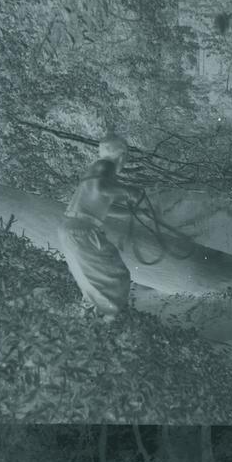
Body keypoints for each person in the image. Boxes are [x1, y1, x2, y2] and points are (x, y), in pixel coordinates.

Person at [57, 135, 142, 323]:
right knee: (115, 276)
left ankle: (92, 320)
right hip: (81, 232)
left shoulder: (98, 169)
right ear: (122, 155)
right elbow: (102, 188)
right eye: (126, 156)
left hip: (72, 228)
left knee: (93, 280)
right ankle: (108, 322)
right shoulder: (107, 166)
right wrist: (128, 191)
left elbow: (103, 207)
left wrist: (137, 213)